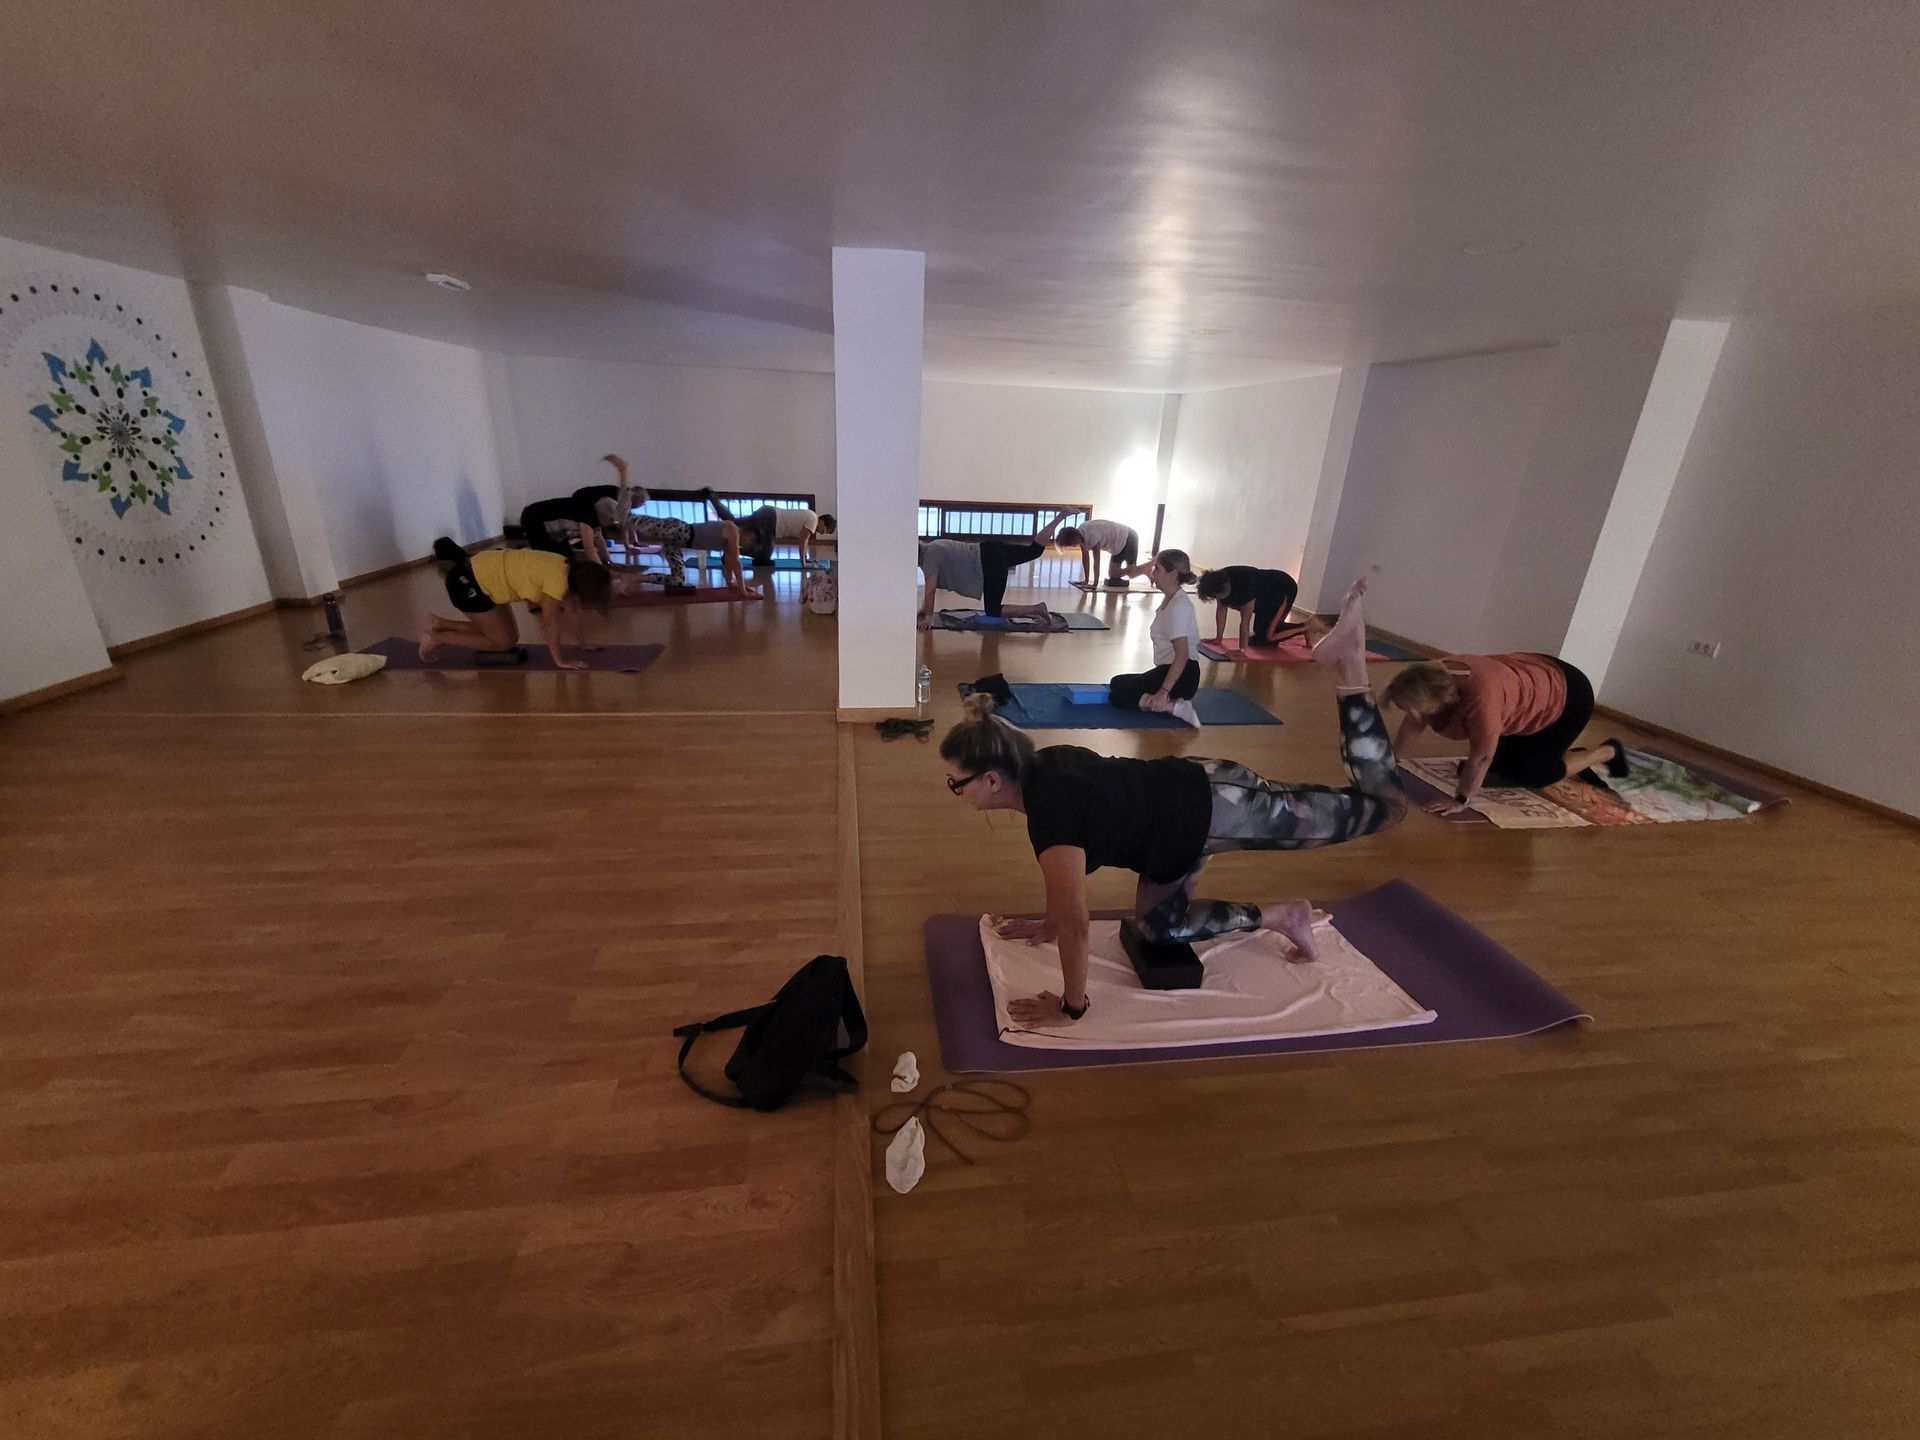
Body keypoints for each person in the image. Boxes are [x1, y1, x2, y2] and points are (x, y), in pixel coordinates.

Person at [939, 580, 1406, 1026]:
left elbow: (1077, 925)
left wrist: (1071, 1008)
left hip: (1219, 805)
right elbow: (1064, 891)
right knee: (1159, 928)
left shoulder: (1050, 817)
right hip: (1174, 840)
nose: (956, 792)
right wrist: (1048, 923)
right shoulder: (1044, 764)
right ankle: (1284, 916)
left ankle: (1350, 669)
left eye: (956, 784)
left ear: (993, 780)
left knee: (1383, 809)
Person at [1381, 653, 1628, 813]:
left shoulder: (1482, 699)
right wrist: (1393, 758)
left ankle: (1605, 752)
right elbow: (1415, 721)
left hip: (1567, 699)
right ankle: (1550, 752)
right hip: (1531, 683)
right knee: (1493, 770)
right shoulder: (1432, 677)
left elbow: (1482, 756)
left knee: (1534, 774)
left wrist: (1461, 799)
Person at [421, 539, 611, 669]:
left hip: (484, 576)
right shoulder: (558, 581)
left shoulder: (567, 566)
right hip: (467, 583)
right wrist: (559, 661)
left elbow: (572, 610)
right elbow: (549, 623)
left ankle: (440, 623)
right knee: (502, 642)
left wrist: (583, 644)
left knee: (507, 636)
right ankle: (438, 637)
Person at [917, 512, 1070, 625]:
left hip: (988, 565)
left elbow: (930, 590)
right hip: (989, 548)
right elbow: (930, 587)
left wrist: (929, 619)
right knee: (1034, 550)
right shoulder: (933, 546)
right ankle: (1061, 515)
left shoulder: (929, 560)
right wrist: (925, 609)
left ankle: (1038, 609)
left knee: (993, 610)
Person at [1108, 549, 1204, 727]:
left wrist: (1163, 691)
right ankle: (1170, 700)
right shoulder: (1171, 599)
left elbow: (1182, 655)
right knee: (1117, 682)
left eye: (1157, 569)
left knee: (1119, 696)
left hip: (1184, 674)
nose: (1152, 573)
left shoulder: (1179, 608)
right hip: (1172, 670)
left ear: (1172, 574)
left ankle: (1173, 707)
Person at [703, 490, 837, 569]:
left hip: (768, 514)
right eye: (825, 529)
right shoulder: (813, 520)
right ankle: (731, 550)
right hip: (770, 519)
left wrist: (805, 559)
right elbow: (803, 541)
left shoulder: (811, 516)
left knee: (734, 522)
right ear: (823, 521)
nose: (823, 532)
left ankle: (713, 499)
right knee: (764, 556)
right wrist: (803, 563)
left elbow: (803, 541)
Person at [1195, 566, 1312, 649]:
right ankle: (1296, 628)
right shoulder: (1219, 581)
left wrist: (1242, 650)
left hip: (1282, 589)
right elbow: (1221, 610)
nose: (1217, 600)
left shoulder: (1246, 589)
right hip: (1263, 595)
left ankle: (1306, 627)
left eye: (1216, 596)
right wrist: (1218, 638)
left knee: (1269, 637)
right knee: (1259, 639)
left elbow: (1245, 622)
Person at [1056, 517, 1141, 588]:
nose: (1073, 546)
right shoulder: (1081, 534)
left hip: (1128, 537)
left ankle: (1146, 568)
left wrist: (1095, 584)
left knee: (1132, 574)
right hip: (1117, 545)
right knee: (1113, 575)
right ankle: (1128, 574)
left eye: (1071, 543)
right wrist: (1086, 581)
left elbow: (1096, 562)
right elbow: (1085, 560)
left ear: (1074, 537)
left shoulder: (1092, 535)